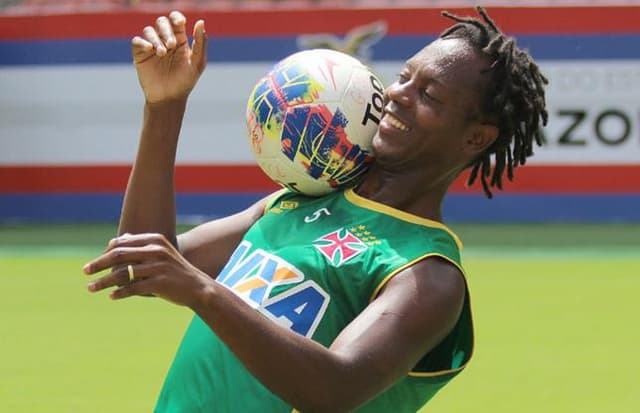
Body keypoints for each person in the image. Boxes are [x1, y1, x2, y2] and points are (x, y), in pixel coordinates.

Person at [83, 6, 547, 412]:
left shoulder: (426, 273)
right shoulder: (306, 196)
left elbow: (334, 389)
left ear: (475, 138)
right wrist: (165, 107)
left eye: (430, 96)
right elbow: (137, 265)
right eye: (405, 77)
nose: (400, 94)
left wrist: (203, 292)